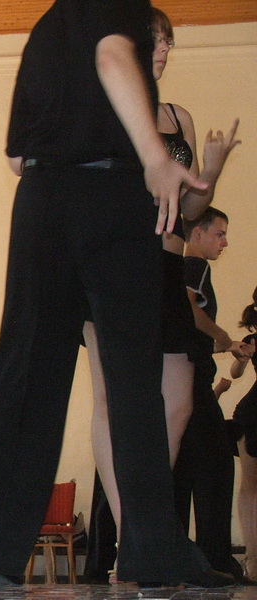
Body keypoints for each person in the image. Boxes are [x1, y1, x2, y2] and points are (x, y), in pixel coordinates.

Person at [0, 0, 230, 586]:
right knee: (133, 381)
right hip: (112, 195)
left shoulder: (45, 31)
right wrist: (155, 157)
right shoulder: (118, 7)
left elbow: (15, 159)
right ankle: (151, 550)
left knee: (27, 373)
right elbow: (112, 56)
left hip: (41, 198)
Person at [83, 7, 242, 584]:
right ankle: (137, 538)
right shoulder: (102, 109)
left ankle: (144, 533)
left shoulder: (178, 117)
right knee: (111, 401)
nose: (164, 51)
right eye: (154, 41)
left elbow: (190, 210)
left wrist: (212, 172)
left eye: (169, 43)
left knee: (177, 402)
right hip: (109, 264)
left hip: (166, 265)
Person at [175, 207, 254, 579]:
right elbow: (189, 310)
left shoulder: (176, 268)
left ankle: (181, 555)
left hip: (180, 377)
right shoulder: (195, 267)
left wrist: (224, 345)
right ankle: (215, 558)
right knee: (216, 468)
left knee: (181, 469)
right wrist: (223, 336)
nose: (224, 242)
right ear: (197, 234)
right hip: (193, 381)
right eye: (219, 234)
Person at [231, 287, 257, 580]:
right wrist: (242, 356)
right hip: (252, 416)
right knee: (251, 486)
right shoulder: (253, 341)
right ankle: (252, 557)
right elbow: (236, 372)